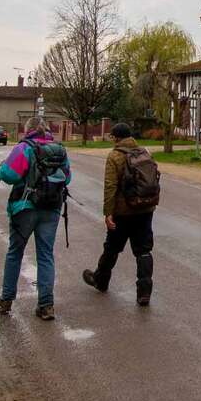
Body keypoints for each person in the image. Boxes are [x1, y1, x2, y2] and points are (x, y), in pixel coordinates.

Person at [0, 117, 71, 321]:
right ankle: (46, 305)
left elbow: (8, 174)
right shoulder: (59, 150)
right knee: (45, 254)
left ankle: (6, 299)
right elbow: (67, 177)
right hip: (52, 208)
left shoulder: (24, 148)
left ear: (27, 130)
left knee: (15, 253)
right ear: (46, 130)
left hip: (25, 206)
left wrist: (3, 167)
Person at [83, 122, 157, 306]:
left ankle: (101, 280)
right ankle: (144, 292)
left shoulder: (115, 156)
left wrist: (108, 213)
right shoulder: (145, 152)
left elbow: (110, 186)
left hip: (123, 212)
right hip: (145, 209)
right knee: (144, 250)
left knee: (112, 247)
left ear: (116, 137)